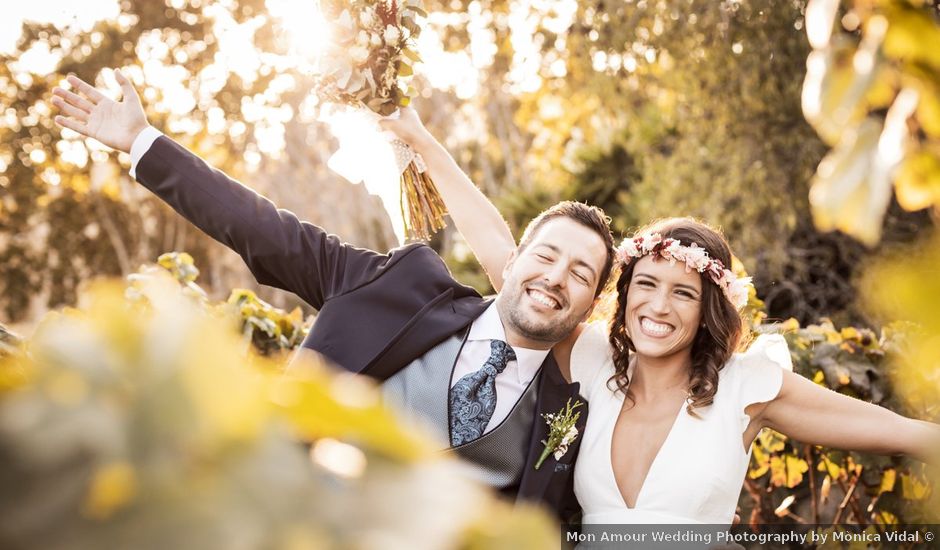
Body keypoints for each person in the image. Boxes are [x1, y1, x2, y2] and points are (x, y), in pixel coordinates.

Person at [50, 70, 617, 520]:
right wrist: (141, 142)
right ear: (512, 260)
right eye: (546, 255)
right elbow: (263, 229)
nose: (555, 277)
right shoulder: (401, 285)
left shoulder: (574, 409)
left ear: (590, 305)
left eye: (579, 273)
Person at [380, 108, 940, 525]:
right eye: (645, 285)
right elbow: (510, 261)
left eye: (683, 293)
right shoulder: (595, 363)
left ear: (708, 310)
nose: (658, 306)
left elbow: (901, 433)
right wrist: (421, 138)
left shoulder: (746, 387)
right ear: (623, 297)